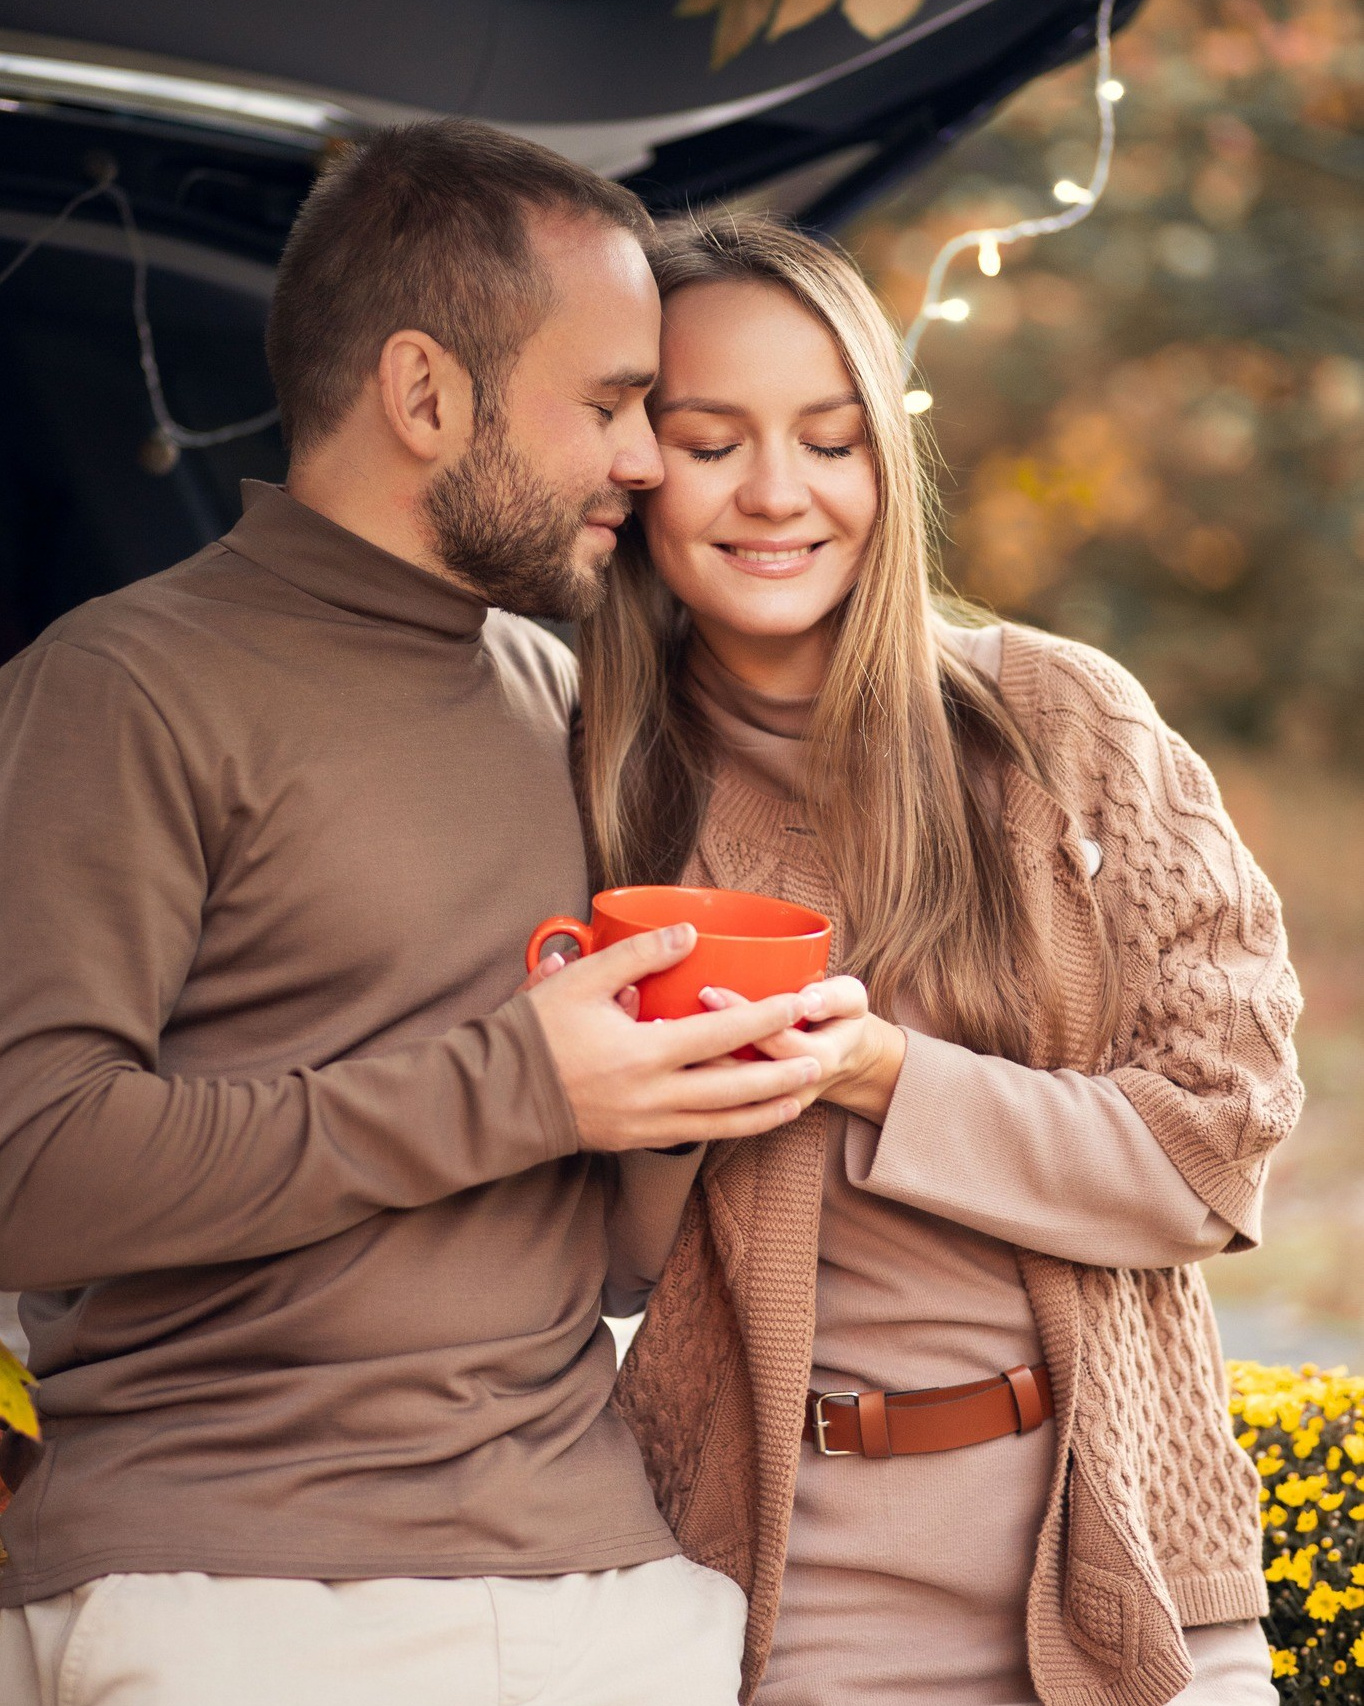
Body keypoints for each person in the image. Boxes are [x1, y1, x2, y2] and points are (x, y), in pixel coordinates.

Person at [0, 128, 831, 1706]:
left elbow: (581, 1258)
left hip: (609, 1592)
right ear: (426, 394)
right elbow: (26, 1166)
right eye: (606, 404)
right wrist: (518, 1083)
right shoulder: (119, 692)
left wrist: (675, 1103)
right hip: (245, 1599)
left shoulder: (563, 695)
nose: (648, 458)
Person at [575, 216, 1304, 1705]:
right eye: (712, 441)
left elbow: (1219, 1144)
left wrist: (881, 1071)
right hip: (803, 1600)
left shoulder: (1061, 724)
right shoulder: (589, 778)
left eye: (831, 440)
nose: (778, 492)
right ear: (638, 465)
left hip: (1133, 1561)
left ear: (887, 465)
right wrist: (662, 1089)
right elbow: (592, 1255)